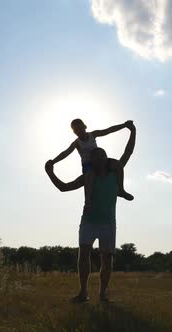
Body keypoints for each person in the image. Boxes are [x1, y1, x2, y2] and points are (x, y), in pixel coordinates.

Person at [45, 122, 136, 303]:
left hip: (108, 223)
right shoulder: (88, 177)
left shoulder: (114, 172)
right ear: (92, 161)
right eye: (96, 156)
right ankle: (83, 292)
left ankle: (102, 294)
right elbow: (64, 187)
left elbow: (127, 152)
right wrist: (51, 171)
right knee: (83, 256)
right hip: (89, 222)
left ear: (106, 158)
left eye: (103, 155)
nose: (100, 158)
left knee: (107, 259)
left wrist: (132, 131)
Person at [47, 119, 133, 212]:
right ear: (74, 132)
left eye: (80, 128)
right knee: (89, 175)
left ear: (85, 127)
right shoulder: (76, 143)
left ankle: (121, 190)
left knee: (117, 164)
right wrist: (54, 161)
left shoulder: (93, 134)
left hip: (100, 160)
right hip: (88, 165)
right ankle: (87, 202)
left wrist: (124, 125)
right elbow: (66, 152)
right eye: (76, 130)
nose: (79, 131)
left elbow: (108, 130)